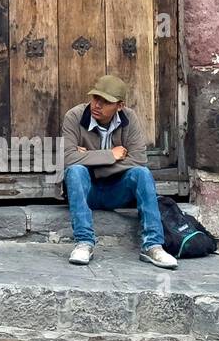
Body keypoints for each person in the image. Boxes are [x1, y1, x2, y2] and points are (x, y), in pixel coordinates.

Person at [63, 74, 178, 269]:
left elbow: (139, 160)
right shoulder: (74, 116)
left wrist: (90, 158)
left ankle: (153, 245)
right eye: (95, 98)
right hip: (86, 191)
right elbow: (67, 159)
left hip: (118, 191)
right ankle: (84, 242)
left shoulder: (129, 118)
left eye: (105, 101)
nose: (97, 105)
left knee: (142, 174)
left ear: (119, 106)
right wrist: (110, 155)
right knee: (75, 171)